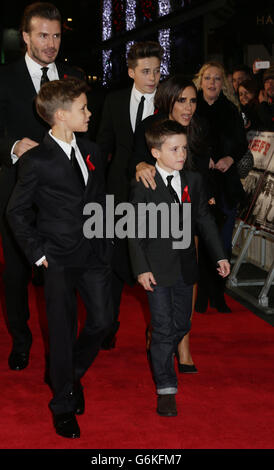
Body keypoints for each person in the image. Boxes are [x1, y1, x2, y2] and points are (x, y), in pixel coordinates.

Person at [7, 77, 113, 439]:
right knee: (63, 332)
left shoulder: (93, 151)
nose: (89, 112)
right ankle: (63, 403)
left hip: (94, 253)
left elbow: (98, 201)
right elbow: (16, 212)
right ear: (62, 116)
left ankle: (66, 373)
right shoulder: (35, 161)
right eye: (83, 108)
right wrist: (36, 254)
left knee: (102, 321)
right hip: (57, 259)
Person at [0, 2, 84, 372]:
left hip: (63, 198)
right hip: (16, 187)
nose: (51, 43)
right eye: (43, 35)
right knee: (17, 271)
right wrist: (13, 146)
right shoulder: (4, 77)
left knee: (63, 272)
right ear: (25, 37)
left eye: (56, 35)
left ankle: (64, 345)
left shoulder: (72, 76)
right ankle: (21, 339)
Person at [128, 120, 230, 416]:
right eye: (174, 149)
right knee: (162, 329)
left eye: (184, 148)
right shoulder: (144, 183)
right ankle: (166, 388)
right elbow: (133, 230)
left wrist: (219, 255)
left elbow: (204, 220)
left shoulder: (193, 181)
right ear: (155, 153)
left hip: (186, 267)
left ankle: (158, 347)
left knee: (181, 325)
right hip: (156, 269)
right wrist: (141, 268)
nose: (182, 154)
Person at [129, 74, 213, 372]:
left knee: (187, 271)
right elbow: (135, 162)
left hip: (191, 211)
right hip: (157, 218)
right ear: (167, 101)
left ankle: (183, 341)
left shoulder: (199, 130)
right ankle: (163, 334)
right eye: (182, 100)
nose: (188, 107)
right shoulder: (150, 129)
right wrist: (141, 165)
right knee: (167, 276)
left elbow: (202, 170)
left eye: (193, 100)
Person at [96, 41, 163, 349]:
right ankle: (107, 323)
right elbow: (103, 147)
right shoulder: (114, 100)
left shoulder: (166, 102)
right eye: (146, 71)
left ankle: (158, 330)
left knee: (154, 260)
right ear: (131, 71)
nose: (152, 77)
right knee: (110, 261)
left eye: (157, 70)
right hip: (116, 193)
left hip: (154, 196)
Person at [193, 61, 248, 313]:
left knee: (224, 242)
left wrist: (229, 159)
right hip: (201, 182)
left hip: (226, 184)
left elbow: (241, 144)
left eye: (217, 78)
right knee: (203, 241)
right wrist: (206, 160)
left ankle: (219, 294)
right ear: (200, 81)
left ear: (222, 83)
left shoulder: (231, 110)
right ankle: (201, 295)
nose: (212, 83)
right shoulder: (192, 108)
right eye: (208, 78)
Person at [256, 65, 274, 132]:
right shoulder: (262, 102)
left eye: (273, 81)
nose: (270, 85)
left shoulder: (263, 104)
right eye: (267, 82)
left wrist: (263, 104)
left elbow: (270, 126)